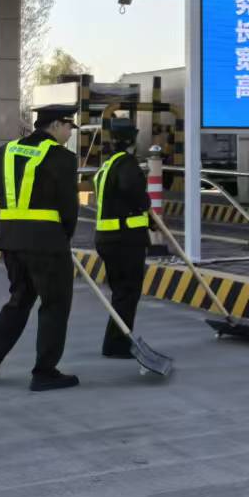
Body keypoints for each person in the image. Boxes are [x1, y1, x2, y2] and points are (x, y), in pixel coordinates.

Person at [0, 104, 82, 390]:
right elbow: (69, 206)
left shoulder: (6, 151)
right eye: (68, 126)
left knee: (19, 301)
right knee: (55, 305)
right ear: (55, 125)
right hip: (47, 242)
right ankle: (45, 372)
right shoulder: (62, 157)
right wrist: (65, 237)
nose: (70, 133)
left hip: (10, 241)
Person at [91, 122, 151, 359]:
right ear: (133, 140)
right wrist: (144, 203)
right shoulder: (127, 163)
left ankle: (114, 341)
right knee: (128, 291)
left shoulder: (107, 165)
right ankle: (117, 344)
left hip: (107, 238)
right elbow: (130, 189)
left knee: (120, 292)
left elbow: (116, 199)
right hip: (125, 239)